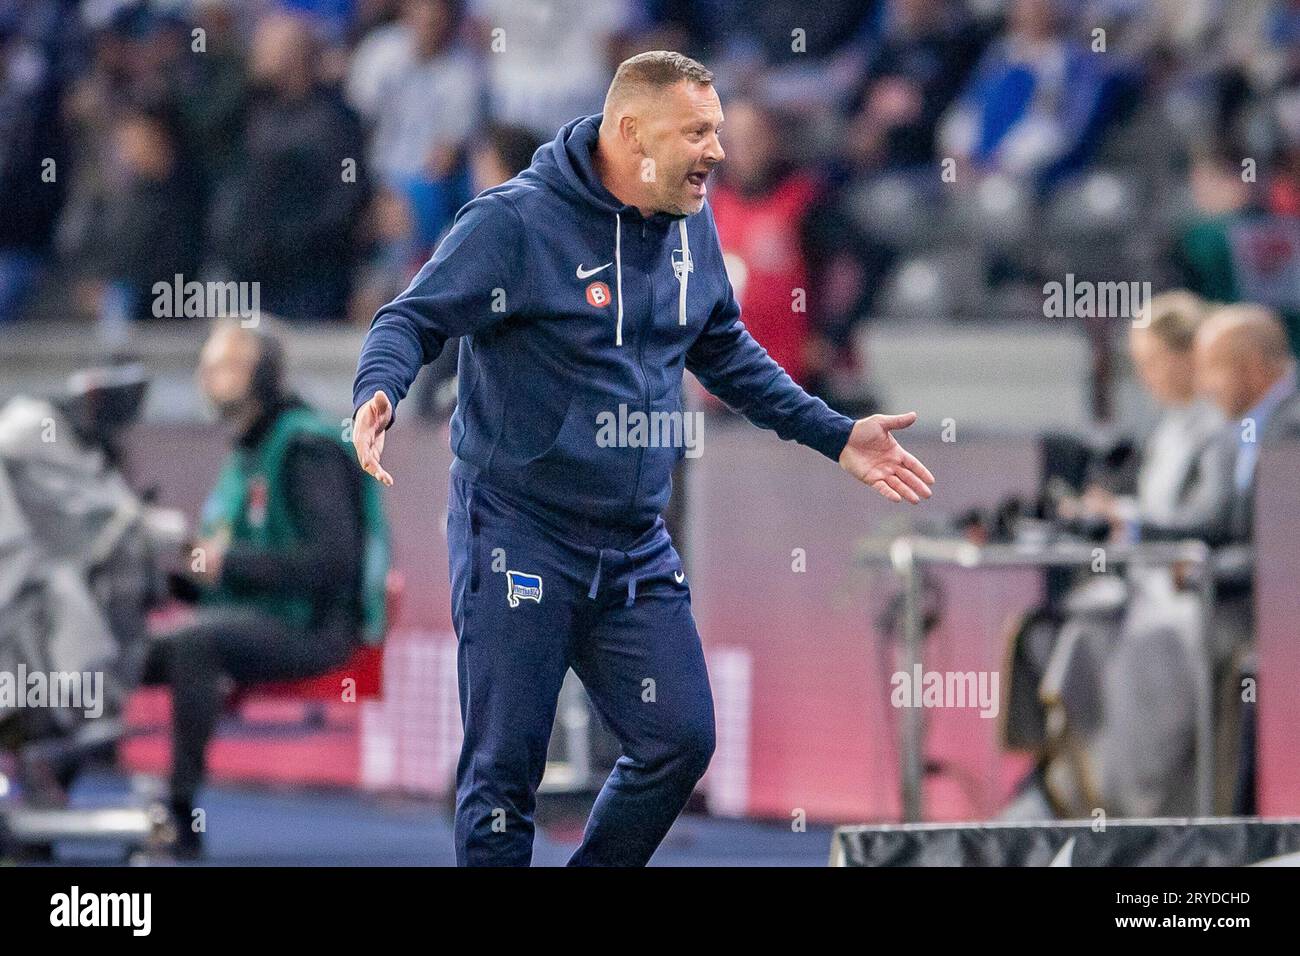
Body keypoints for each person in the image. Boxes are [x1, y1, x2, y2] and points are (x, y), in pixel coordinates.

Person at [351, 50, 935, 866]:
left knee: (679, 741)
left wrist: (833, 432)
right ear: (631, 133)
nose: (718, 152)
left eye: (719, 131)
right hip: (519, 531)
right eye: (697, 132)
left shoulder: (691, 218)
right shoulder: (515, 223)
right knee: (504, 771)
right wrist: (378, 390)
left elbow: (725, 350)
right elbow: (407, 320)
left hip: (632, 541)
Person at [146, 320, 389, 858]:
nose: (209, 375)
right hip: (253, 618)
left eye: (226, 364)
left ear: (263, 375)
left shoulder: (305, 446)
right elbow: (219, 571)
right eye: (206, 364)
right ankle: (46, 780)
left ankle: (180, 811)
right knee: (118, 645)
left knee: (195, 642)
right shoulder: (245, 453)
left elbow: (332, 562)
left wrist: (226, 564)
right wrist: (165, 579)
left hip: (318, 631)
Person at [1193, 302, 1300, 812]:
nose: (1204, 385)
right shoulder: (1244, 431)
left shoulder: (1294, 428)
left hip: (1279, 615)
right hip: (1250, 599)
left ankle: (1234, 823)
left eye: (1212, 367)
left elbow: (1281, 551)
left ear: (1254, 364)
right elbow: (1225, 527)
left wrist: (1203, 569)